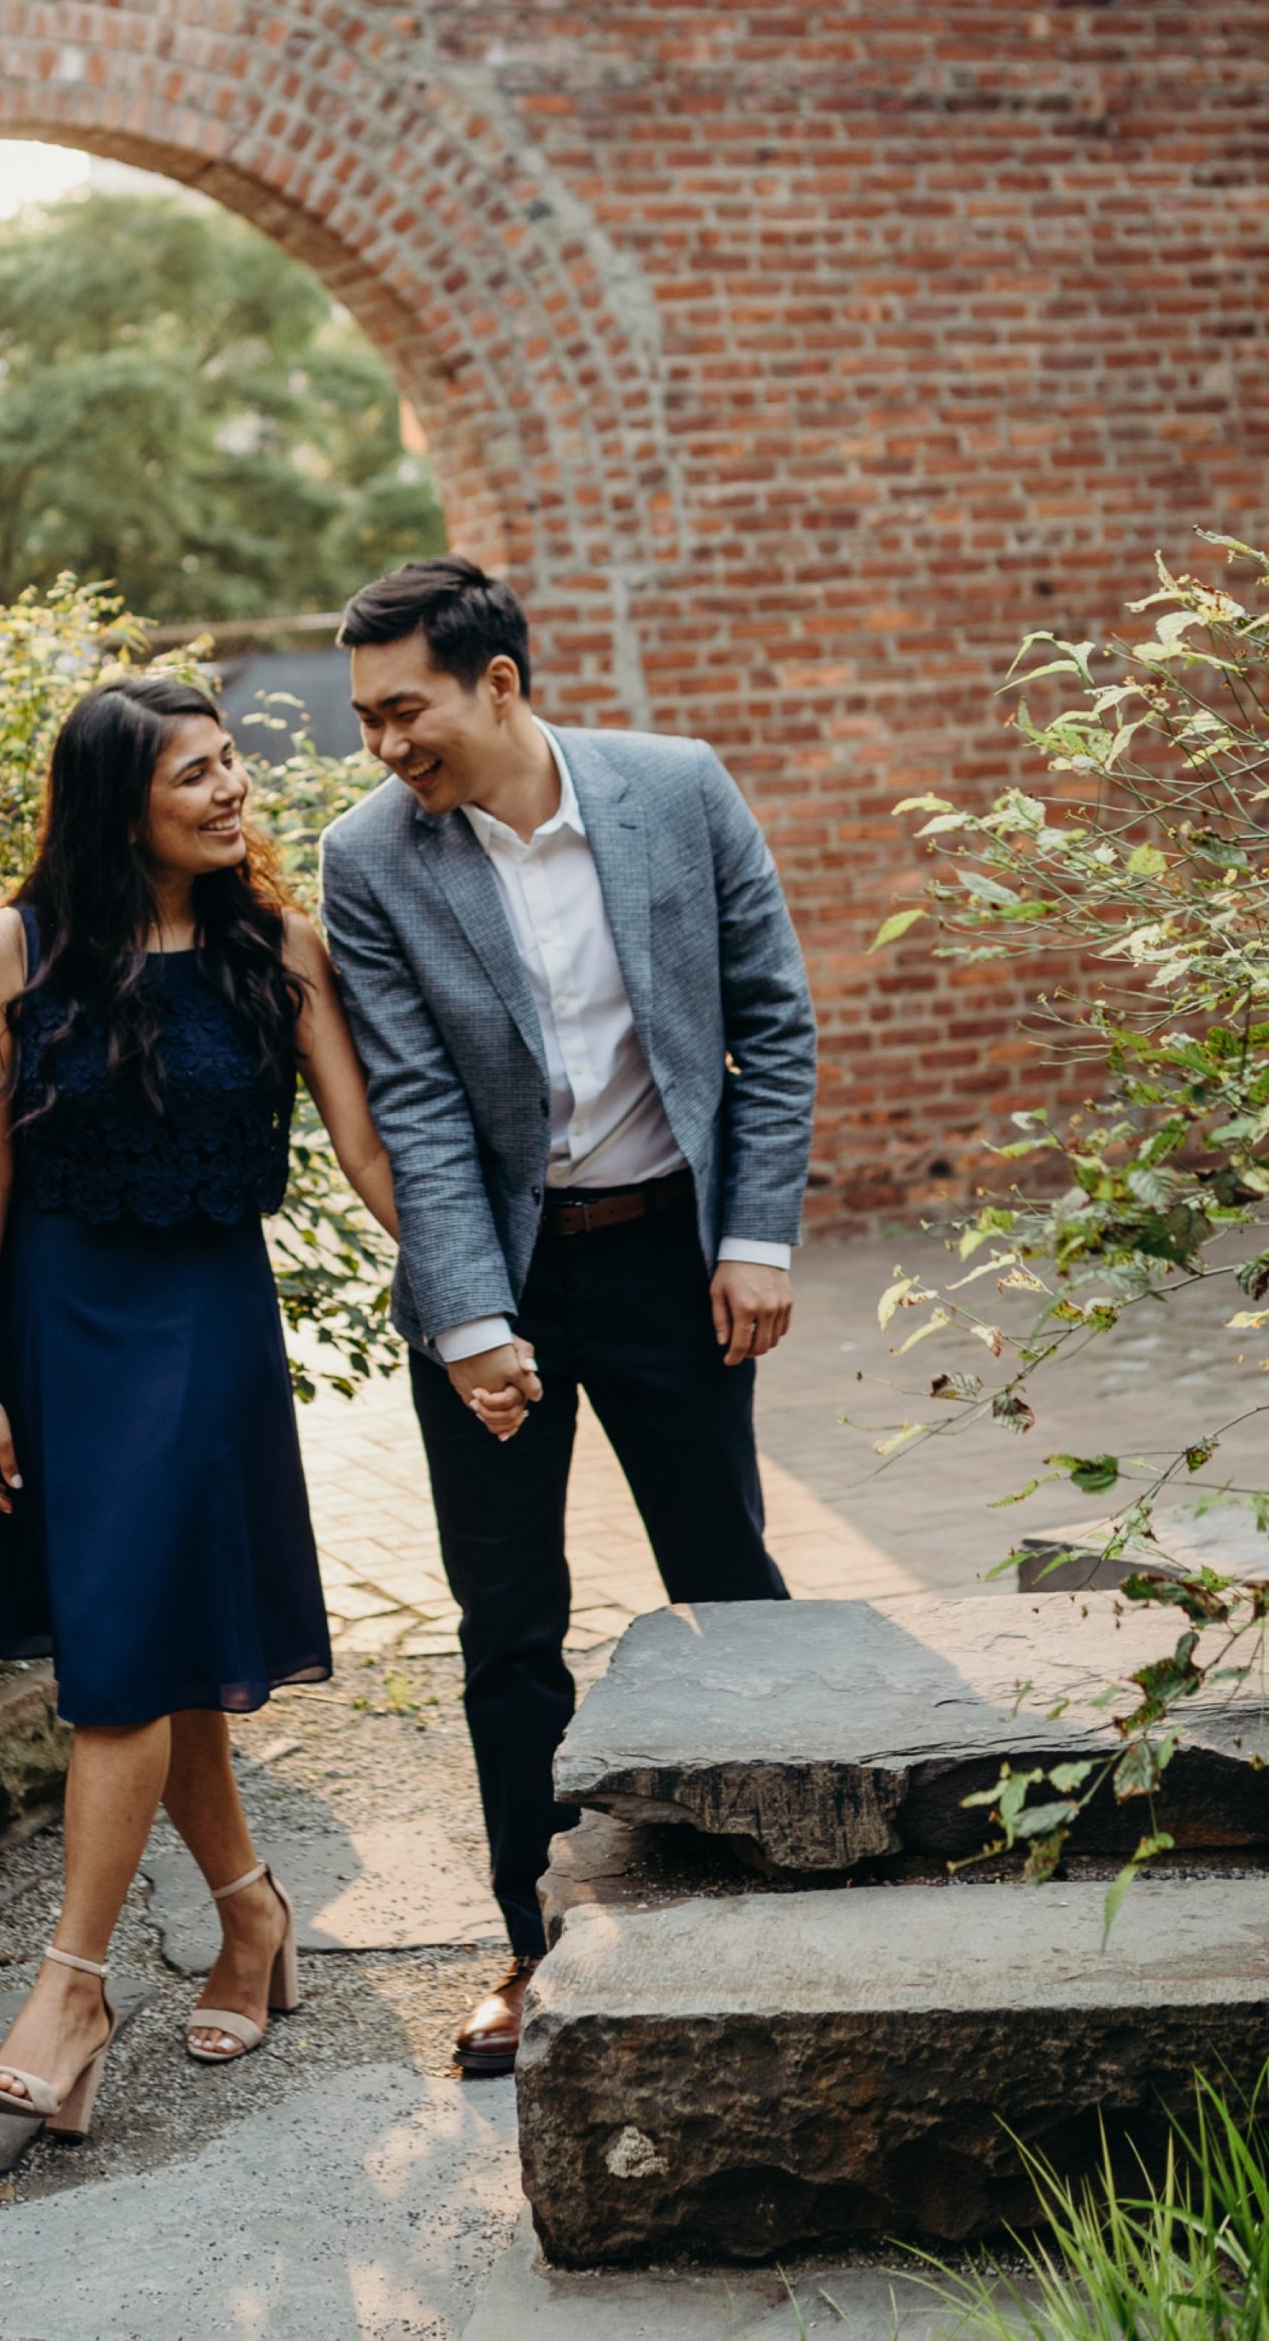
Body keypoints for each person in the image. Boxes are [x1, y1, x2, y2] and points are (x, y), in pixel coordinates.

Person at [0, 676, 501, 2137]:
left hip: (203, 1332)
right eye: (195, 773)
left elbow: (372, 1154)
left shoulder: (279, 949)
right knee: (163, 1647)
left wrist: (474, 1309)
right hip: (59, 1333)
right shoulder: (16, 948)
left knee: (124, 1651)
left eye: (231, 763)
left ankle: (71, 1994)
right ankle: (251, 1919)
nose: (232, 790)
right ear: (119, 799)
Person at [320, 557, 817, 2075]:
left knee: (725, 1575)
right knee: (509, 1623)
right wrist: (467, 1319)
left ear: (500, 685)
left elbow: (772, 1023)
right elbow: (409, 1101)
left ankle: (794, 1882)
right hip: (498, 1269)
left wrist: (754, 1238)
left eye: (404, 711)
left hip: (677, 1254)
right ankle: (534, 1945)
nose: (384, 745)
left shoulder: (677, 788)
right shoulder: (370, 856)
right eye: (364, 719)